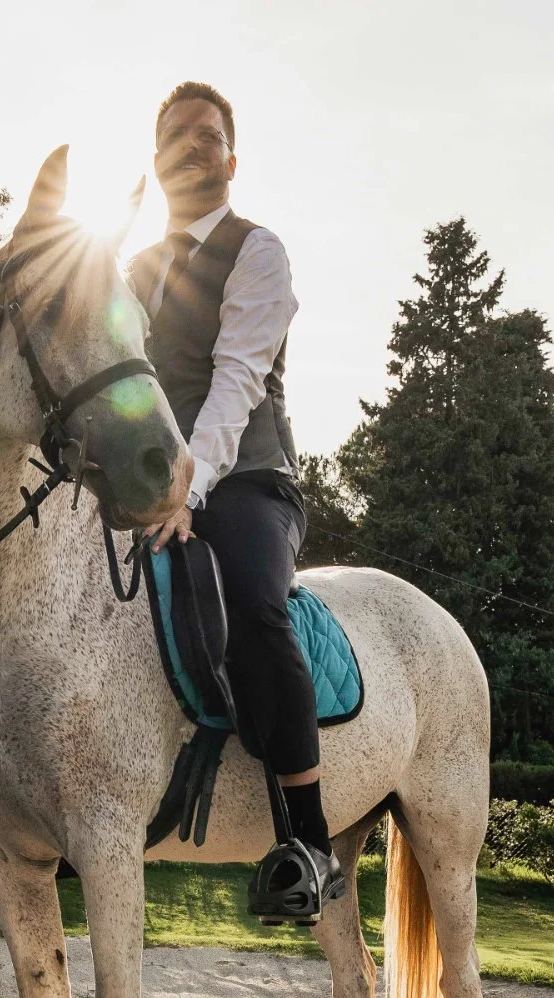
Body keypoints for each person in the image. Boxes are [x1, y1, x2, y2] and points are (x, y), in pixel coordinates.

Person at [132, 81, 341, 922]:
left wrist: (191, 486)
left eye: (208, 135)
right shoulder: (128, 271)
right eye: (176, 135)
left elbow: (236, 382)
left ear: (231, 157)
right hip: (147, 483)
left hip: (249, 477)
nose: (192, 145)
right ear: (156, 161)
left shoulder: (258, 250)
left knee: (255, 609)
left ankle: (310, 842)